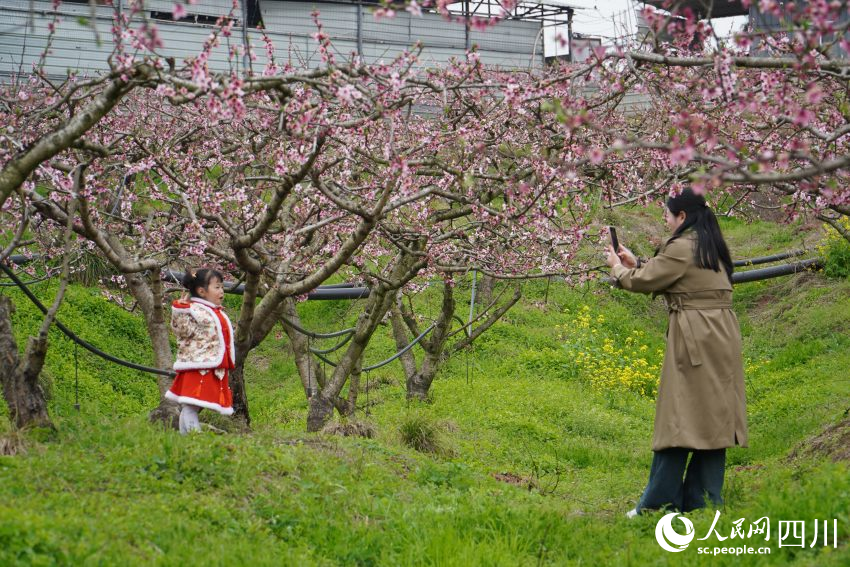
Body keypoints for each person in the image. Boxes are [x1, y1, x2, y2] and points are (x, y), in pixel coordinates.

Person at [605, 188, 748, 517]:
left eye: (668, 216)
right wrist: (638, 263)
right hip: (719, 334)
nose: (666, 222)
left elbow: (644, 281)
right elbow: (675, 275)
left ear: (682, 216)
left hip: (697, 335)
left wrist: (618, 268)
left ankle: (658, 503)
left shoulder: (683, 245)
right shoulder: (708, 242)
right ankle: (703, 502)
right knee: (712, 418)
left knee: (679, 418)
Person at [166, 268, 235, 434]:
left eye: (222, 287)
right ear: (202, 291)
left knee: (191, 406)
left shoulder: (212, 311)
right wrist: (181, 311)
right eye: (217, 287)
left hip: (209, 365)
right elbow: (183, 331)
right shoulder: (195, 310)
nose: (222, 291)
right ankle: (195, 438)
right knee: (191, 405)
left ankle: (186, 440)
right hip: (198, 365)